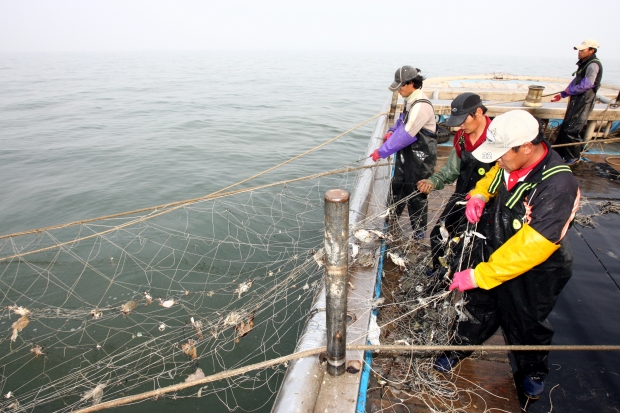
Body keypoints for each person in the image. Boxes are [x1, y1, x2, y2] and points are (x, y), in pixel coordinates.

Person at [435, 110, 580, 401]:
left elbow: (532, 248)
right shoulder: (510, 162)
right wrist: (479, 194)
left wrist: (480, 275)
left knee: (527, 320)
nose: (498, 159)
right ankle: (457, 350)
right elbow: (494, 175)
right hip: (496, 247)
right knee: (477, 307)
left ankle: (532, 371)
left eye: (502, 154)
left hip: (538, 268)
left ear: (526, 147)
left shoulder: (558, 186)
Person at [417, 93, 495, 275]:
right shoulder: (461, 137)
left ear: (478, 112)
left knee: (471, 246)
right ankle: (439, 273)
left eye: (463, 120)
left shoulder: (496, 137)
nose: (460, 125)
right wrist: (433, 181)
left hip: (489, 204)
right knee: (438, 235)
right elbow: (452, 169)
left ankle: (462, 277)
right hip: (462, 196)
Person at [371, 65, 437, 239]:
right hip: (408, 153)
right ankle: (390, 218)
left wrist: (381, 152)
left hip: (421, 155)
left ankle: (419, 230)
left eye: (400, 86)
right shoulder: (410, 100)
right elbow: (402, 121)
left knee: (417, 191)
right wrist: (392, 130)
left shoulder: (421, 106)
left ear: (411, 84)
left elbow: (405, 135)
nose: (399, 90)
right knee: (398, 184)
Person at [551, 39, 603, 166]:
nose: (579, 52)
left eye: (582, 50)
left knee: (572, 130)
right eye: (579, 50)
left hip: (584, 101)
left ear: (591, 51)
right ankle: (559, 156)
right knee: (565, 127)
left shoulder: (593, 64)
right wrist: (563, 93)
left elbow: (588, 84)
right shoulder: (584, 64)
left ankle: (573, 158)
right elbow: (576, 80)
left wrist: (569, 91)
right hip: (577, 99)